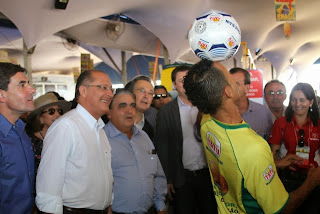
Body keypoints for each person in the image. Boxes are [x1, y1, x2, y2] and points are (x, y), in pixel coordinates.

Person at [183, 59, 320, 214]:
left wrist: (275, 164)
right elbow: (281, 210)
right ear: (228, 91)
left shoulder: (207, 124)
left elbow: (243, 171)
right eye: (229, 76)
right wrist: (311, 181)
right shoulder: (253, 148)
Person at [36, 70, 114, 214]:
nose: (110, 94)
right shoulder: (66, 126)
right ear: (83, 91)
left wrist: (108, 203)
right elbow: (49, 183)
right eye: (103, 88)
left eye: (111, 89)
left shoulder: (99, 128)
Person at [155, 65, 217, 214]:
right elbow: (163, 147)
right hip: (181, 178)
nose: (187, 83)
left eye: (190, 79)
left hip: (209, 176)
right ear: (174, 85)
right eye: (182, 80)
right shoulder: (166, 112)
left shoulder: (209, 107)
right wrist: (167, 179)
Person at [104, 89, 167, 214]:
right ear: (109, 113)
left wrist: (160, 206)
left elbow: (158, 174)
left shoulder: (143, 137)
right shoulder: (101, 140)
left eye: (132, 105)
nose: (129, 110)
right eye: (122, 106)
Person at [269, 82, 320, 213]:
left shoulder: (318, 124)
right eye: (294, 100)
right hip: (287, 179)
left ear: (311, 102)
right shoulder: (281, 123)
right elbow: (272, 157)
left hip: (311, 178)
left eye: (302, 100)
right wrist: (280, 164)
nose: (297, 104)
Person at [0, 62, 36, 213]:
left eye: (29, 84)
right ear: (2, 95)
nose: (32, 90)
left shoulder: (21, 129)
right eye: (22, 85)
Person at [25, 92, 71, 175]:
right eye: (51, 111)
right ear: (40, 118)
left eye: (60, 111)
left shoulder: (62, 136)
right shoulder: (28, 141)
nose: (57, 115)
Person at [229, 67, 273, 140]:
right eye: (229, 84)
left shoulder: (263, 113)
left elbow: (269, 141)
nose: (231, 88)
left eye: (236, 84)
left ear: (247, 88)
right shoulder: (221, 112)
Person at [125, 76, 155, 141]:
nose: (146, 96)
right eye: (141, 91)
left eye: (150, 93)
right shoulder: (113, 121)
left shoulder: (149, 130)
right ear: (130, 93)